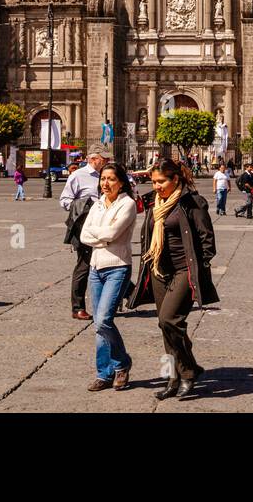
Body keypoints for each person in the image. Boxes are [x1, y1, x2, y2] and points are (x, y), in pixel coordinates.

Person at [127, 159, 218, 401]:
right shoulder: (154, 203)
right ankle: (174, 377)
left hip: (183, 270)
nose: (156, 186)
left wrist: (200, 266)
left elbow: (207, 240)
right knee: (166, 326)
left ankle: (187, 373)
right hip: (158, 270)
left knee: (169, 319)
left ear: (175, 179)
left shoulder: (191, 202)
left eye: (161, 181)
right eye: (153, 181)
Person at [79, 162, 138, 392]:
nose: (106, 183)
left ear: (121, 182)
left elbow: (114, 234)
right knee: (99, 324)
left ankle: (122, 363)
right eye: (103, 179)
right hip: (95, 268)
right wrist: (103, 238)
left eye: (111, 179)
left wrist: (100, 235)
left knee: (103, 319)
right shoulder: (97, 205)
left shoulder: (128, 204)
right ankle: (104, 373)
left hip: (118, 267)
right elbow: (84, 235)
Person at [60, 151, 105, 320]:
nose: (107, 161)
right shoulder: (78, 176)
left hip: (106, 226)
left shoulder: (107, 174)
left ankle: (125, 297)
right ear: (93, 159)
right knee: (84, 266)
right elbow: (64, 200)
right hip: (85, 226)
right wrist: (86, 205)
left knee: (112, 263)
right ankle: (77, 307)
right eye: (104, 159)